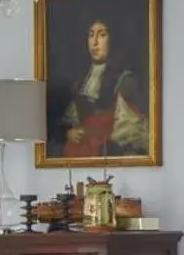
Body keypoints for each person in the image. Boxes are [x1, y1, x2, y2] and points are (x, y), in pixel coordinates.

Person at [53, 16, 147, 157]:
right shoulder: (80, 83)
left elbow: (132, 128)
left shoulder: (125, 80)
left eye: (102, 35)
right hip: (84, 152)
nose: (95, 42)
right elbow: (71, 119)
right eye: (91, 35)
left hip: (112, 152)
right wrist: (70, 132)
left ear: (113, 39)